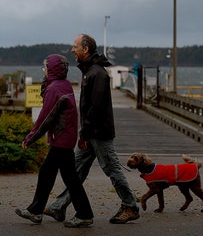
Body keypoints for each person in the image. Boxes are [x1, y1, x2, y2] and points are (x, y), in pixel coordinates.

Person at [44, 34, 140, 224]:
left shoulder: (97, 73)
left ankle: (130, 205)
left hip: (98, 133)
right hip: (90, 132)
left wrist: (84, 133)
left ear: (85, 49)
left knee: (111, 168)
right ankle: (58, 207)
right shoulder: (90, 71)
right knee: (76, 170)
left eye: (75, 46)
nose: (72, 50)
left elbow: (95, 109)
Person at [15, 54, 94, 228]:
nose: (44, 70)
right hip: (66, 136)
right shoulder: (63, 84)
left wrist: (30, 138)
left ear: (52, 70)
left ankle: (83, 214)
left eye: (46, 67)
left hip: (61, 138)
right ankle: (38, 211)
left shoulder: (54, 89)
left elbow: (45, 118)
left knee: (55, 175)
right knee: (60, 175)